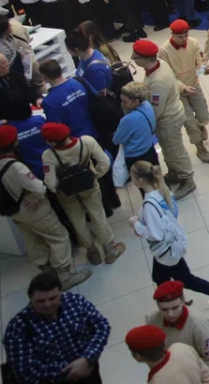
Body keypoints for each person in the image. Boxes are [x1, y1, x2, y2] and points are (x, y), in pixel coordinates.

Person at [129, 160, 209, 313]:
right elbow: (171, 215)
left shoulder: (149, 204)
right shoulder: (161, 192)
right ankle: (176, 305)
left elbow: (156, 234)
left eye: (131, 176)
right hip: (171, 246)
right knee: (160, 278)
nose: (130, 179)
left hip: (166, 250)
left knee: (184, 280)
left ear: (140, 180)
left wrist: (136, 225)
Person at [0, 125, 93, 289]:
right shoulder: (15, 166)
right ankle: (65, 276)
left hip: (14, 211)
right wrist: (36, 197)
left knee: (32, 239)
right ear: (13, 143)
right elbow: (39, 188)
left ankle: (46, 269)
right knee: (59, 236)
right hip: (34, 210)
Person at [40, 122, 126, 266]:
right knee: (98, 216)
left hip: (67, 194)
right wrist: (94, 176)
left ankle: (92, 252)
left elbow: (51, 184)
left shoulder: (48, 155)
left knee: (78, 221)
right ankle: (110, 250)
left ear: (51, 142)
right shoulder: (86, 142)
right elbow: (105, 163)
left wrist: (62, 189)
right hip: (90, 187)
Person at [2, 272, 110, 384]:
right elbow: (26, 372)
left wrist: (87, 358)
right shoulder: (18, 327)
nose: (48, 304)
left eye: (53, 298)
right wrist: (73, 369)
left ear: (61, 292)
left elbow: (102, 326)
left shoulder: (75, 301)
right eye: (40, 301)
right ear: (30, 298)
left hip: (88, 369)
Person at [132, 40, 199, 197]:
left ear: (144, 59)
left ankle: (188, 180)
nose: (133, 59)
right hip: (172, 112)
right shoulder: (160, 64)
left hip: (168, 120)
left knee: (175, 151)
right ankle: (175, 173)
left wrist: (146, 125)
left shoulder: (157, 81)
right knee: (169, 151)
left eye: (135, 57)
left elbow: (156, 110)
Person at [144, 281, 209, 382]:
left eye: (175, 307)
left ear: (183, 301)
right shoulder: (153, 319)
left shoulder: (199, 324)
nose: (170, 314)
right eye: (164, 310)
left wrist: (193, 379)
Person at [159, 20, 209, 160]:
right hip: (178, 92)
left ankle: (200, 126)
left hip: (194, 85)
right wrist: (182, 87)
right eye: (180, 37)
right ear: (172, 34)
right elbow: (167, 76)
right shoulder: (164, 51)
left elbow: (199, 63)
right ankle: (200, 148)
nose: (184, 39)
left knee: (204, 116)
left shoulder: (193, 42)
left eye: (186, 35)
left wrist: (204, 70)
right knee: (189, 122)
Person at [125, 325, 209, 384]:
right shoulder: (181, 347)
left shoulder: (156, 381)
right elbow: (206, 376)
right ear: (163, 344)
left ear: (138, 357)